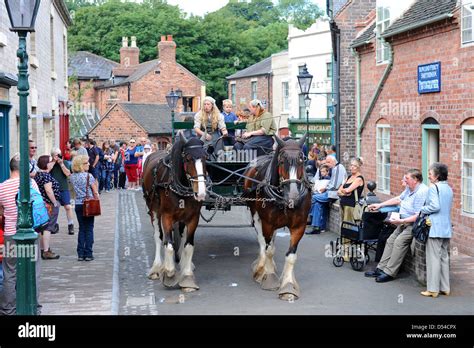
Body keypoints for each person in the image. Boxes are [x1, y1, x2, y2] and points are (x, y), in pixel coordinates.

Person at [365, 169, 429, 283]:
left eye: (407, 179)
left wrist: (401, 221)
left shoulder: (422, 192)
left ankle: (389, 272)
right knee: (390, 240)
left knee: (399, 242)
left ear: (415, 180)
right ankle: (381, 268)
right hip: (402, 221)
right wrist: (380, 205)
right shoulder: (409, 189)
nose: (405, 181)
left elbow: (418, 215)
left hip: (413, 224)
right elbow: (398, 199)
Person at [0, 155, 42, 315]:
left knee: (10, 272)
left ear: (10, 168)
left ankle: (8, 309)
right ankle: (34, 307)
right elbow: (38, 205)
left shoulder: (2, 187)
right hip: (30, 234)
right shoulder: (30, 183)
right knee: (33, 270)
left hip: (10, 235)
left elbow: (1, 210)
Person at [419, 163, 453, 298]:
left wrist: (422, 209)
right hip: (446, 227)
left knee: (433, 258)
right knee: (444, 257)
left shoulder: (434, 188)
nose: (428, 175)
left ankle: (433, 289)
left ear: (437, 176)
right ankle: (445, 288)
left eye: (430, 173)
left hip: (434, 227)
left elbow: (435, 206)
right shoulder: (449, 189)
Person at [70, 155, 99, 261]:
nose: (89, 164)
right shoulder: (88, 176)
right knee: (89, 228)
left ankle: (80, 253)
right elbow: (95, 191)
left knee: (81, 228)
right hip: (88, 203)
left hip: (78, 204)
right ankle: (88, 253)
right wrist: (97, 199)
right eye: (86, 163)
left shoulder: (72, 176)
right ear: (81, 165)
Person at [34, 155, 61, 260]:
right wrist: (55, 202)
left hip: (41, 204)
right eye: (51, 162)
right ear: (46, 164)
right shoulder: (46, 176)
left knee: (42, 228)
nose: (52, 164)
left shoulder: (38, 175)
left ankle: (42, 249)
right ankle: (46, 251)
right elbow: (48, 190)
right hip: (49, 205)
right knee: (48, 228)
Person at [50, 148, 74, 235]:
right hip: (53, 189)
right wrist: (53, 162)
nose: (58, 157)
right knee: (55, 208)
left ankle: (70, 225)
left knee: (68, 207)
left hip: (64, 188)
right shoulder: (50, 164)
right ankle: (55, 225)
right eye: (56, 155)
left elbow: (68, 174)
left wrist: (61, 164)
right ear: (52, 156)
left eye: (59, 154)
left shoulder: (66, 163)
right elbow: (47, 171)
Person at [337, 157, 365, 223]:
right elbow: (338, 191)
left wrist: (345, 191)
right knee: (343, 226)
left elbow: (347, 190)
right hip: (343, 204)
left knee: (348, 226)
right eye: (351, 165)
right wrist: (345, 193)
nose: (352, 167)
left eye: (355, 166)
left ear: (359, 167)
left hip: (350, 206)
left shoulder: (359, 179)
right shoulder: (349, 177)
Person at [306, 164, 331, 235]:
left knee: (313, 198)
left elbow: (326, 188)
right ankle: (317, 227)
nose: (322, 173)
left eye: (323, 171)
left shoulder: (327, 178)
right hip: (320, 195)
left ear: (327, 172)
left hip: (325, 195)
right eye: (321, 172)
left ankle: (309, 213)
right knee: (317, 204)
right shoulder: (322, 178)